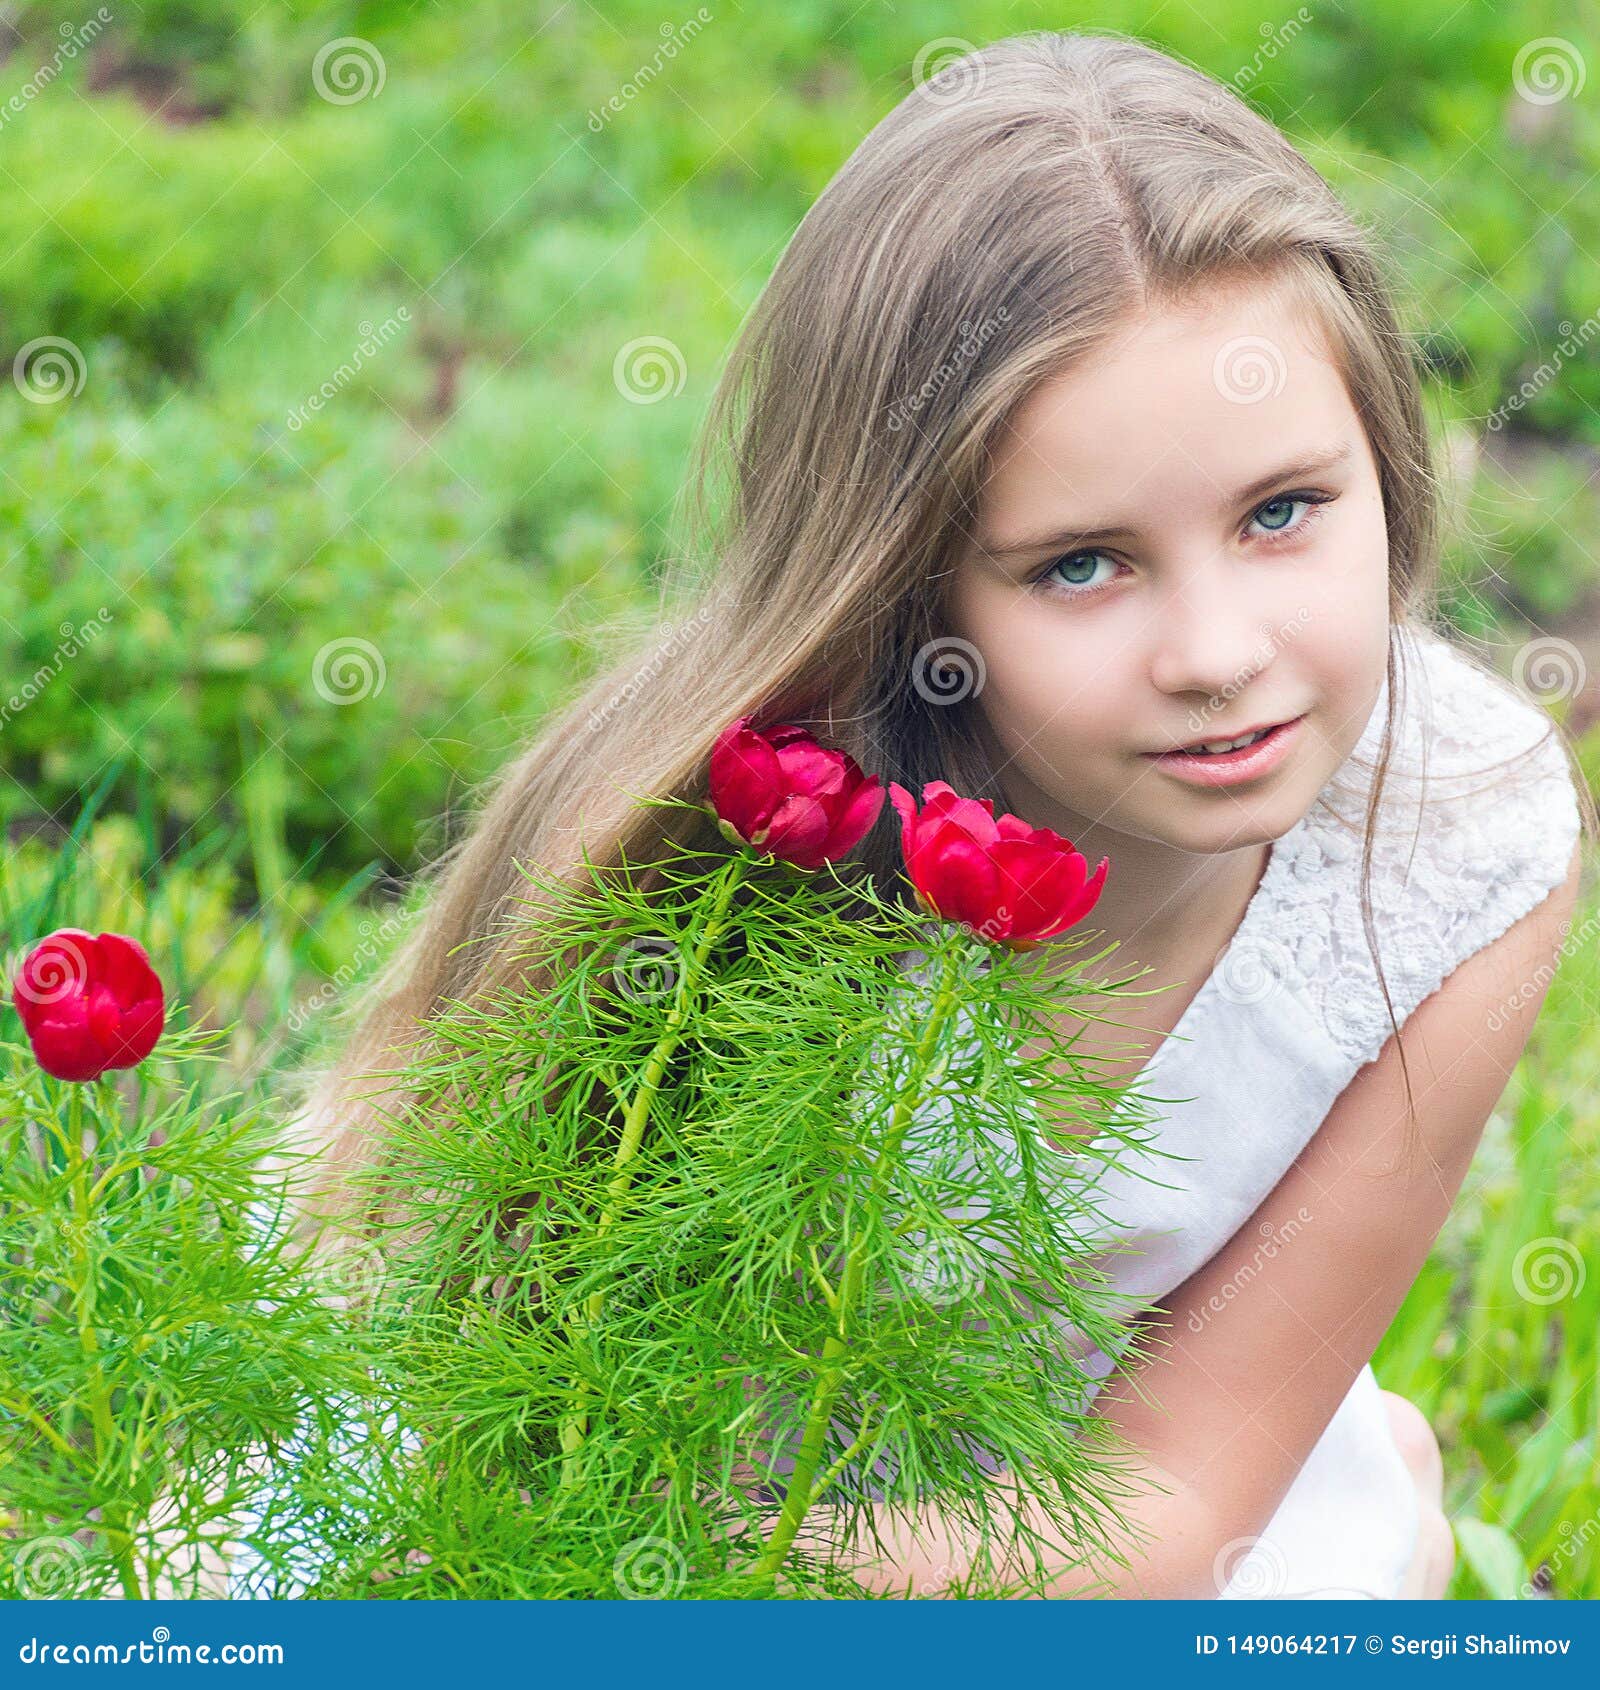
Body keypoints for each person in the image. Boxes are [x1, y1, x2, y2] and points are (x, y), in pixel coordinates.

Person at [284, 29, 1594, 1599]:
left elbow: (1167, 1507)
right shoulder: (747, 852)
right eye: (1081, 564)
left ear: (1386, 461)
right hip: (683, 1513)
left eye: (1282, 511)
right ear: (909, 587)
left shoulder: (1462, 832)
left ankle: (1368, 1475)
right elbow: (520, 1420)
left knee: (1306, 1559)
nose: (1219, 655)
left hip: (1111, 1501)